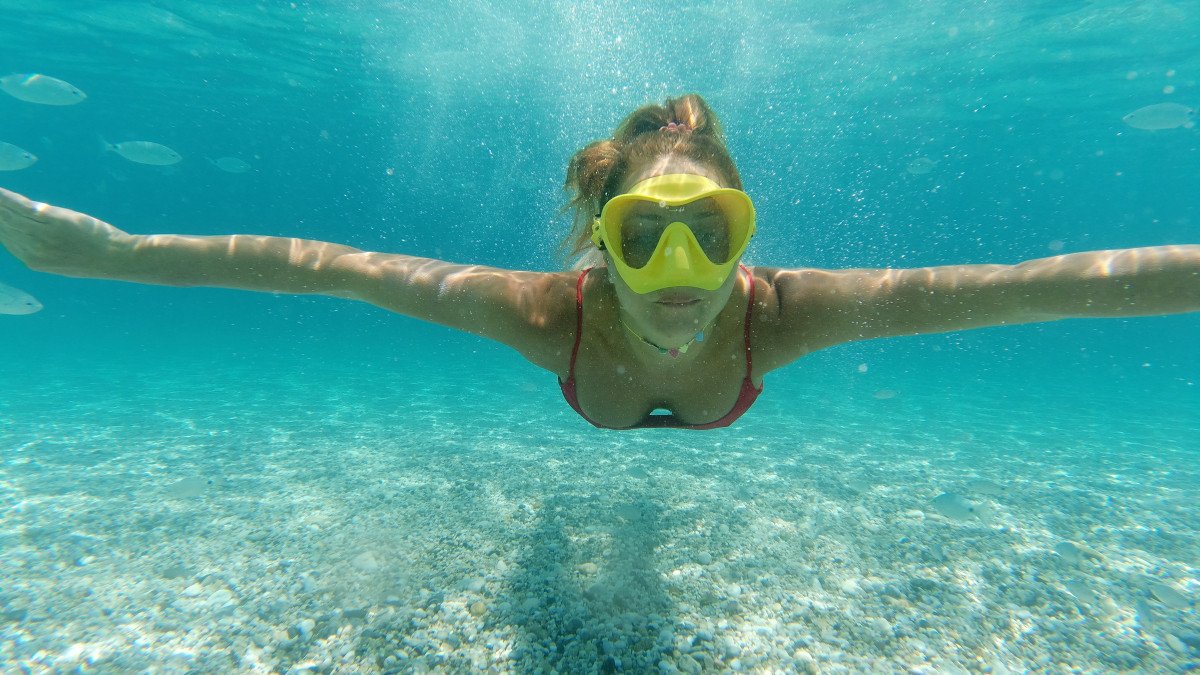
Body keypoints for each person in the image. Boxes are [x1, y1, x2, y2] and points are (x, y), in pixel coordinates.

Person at [1, 94, 1198, 430]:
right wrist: (110, 251)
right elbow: (325, 265)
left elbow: (1045, 287)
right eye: (641, 234)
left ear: (749, 237)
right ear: (598, 246)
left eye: (711, 231)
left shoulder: (787, 315)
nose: (679, 267)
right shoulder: (541, 314)